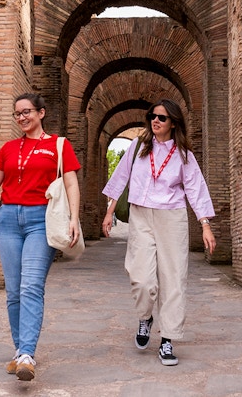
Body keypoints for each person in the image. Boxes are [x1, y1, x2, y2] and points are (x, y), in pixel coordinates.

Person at [0, 93, 81, 381]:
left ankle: (27, 352)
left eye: (27, 112)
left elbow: (71, 183)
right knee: (14, 291)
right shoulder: (8, 148)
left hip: (41, 220)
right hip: (8, 221)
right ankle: (19, 352)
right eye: (17, 114)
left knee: (30, 286)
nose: (22, 117)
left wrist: (74, 218)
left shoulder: (58, 145)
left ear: (41, 113)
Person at [102, 98, 216, 366]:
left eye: (162, 118)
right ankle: (145, 317)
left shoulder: (183, 154)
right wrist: (109, 212)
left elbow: (196, 189)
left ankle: (168, 339)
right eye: (153, 115)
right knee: (141, 278)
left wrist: (205, 225)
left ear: (173, 122)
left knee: (173, 279)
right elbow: (120, 177)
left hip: (172, 218)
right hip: (140, 214)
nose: (155, 120)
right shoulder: (138, 146)